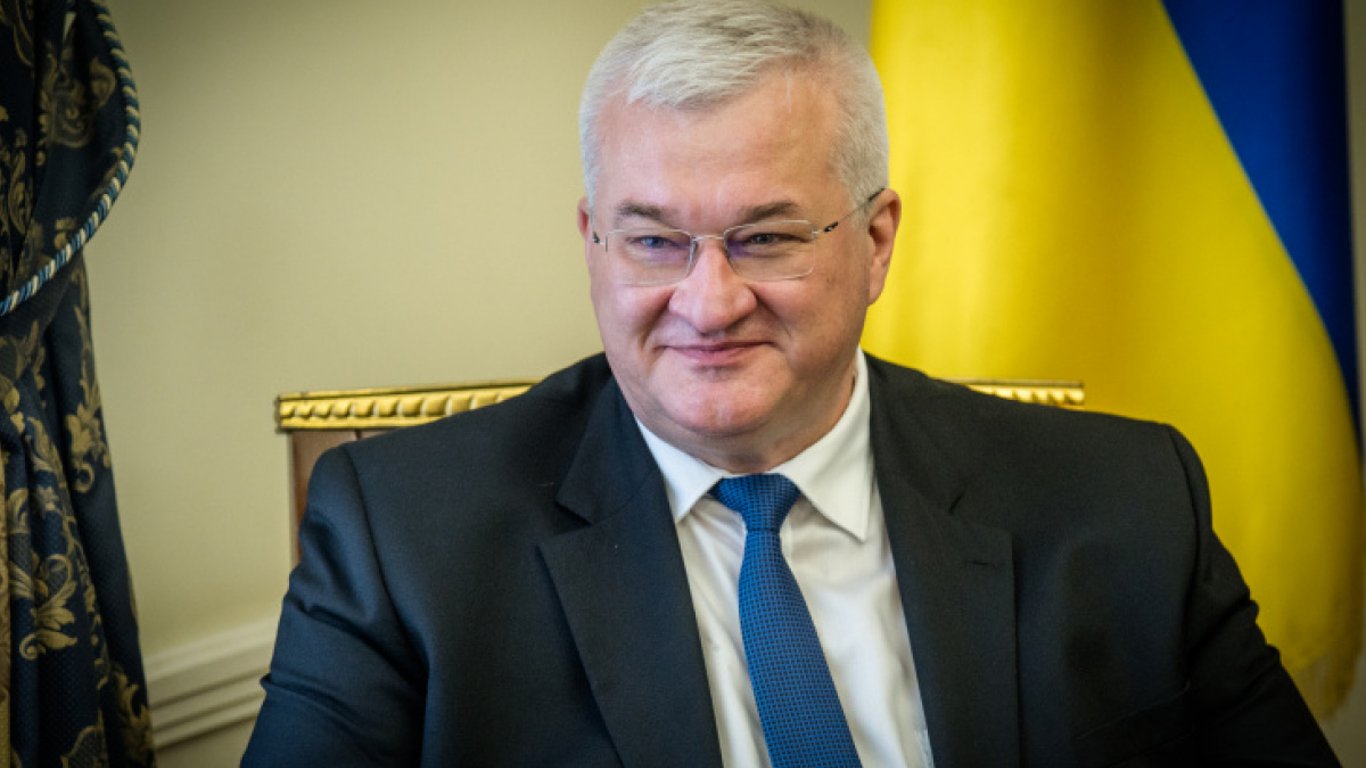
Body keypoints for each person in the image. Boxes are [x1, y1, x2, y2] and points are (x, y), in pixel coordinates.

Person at [243, 1, 1338, 766]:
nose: (709, 302)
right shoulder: (402, 537)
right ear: (591, 242)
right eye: (655, 241)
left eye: (765, 238)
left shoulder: (1125, 498)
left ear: (877, 240)